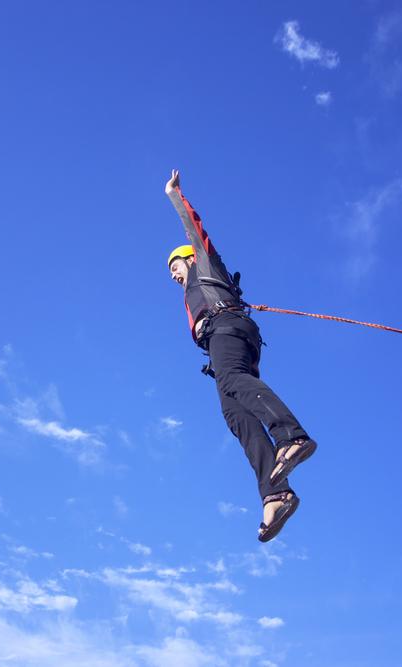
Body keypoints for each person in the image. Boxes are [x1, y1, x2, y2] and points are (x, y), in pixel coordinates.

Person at [164, 169, 317, 543]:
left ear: (189, 258)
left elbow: (193, 229)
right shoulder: (191, 293)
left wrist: (175, 196)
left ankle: (291, 436)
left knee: (234, 382)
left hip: (228, 328)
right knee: (235, 414)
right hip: (222, 344)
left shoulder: (204, 263)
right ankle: (275, 493)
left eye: (175, 265)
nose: (173, 274)